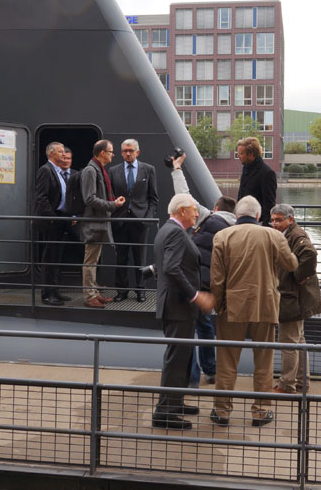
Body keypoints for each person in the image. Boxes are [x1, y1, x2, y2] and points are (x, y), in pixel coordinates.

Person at [208, 196, 297, 427]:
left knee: (227, 361)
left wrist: (219, 305)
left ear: (236, 215)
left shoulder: (222, 236)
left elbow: (216, 279)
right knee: (264, 362)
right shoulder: (273, 235)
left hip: (232, 307)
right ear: (258, 216)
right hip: (264, 305)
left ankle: (222, 411)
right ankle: (260, 412)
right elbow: (291, 264)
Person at [152, 193, 215, 430]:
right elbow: (171, 268)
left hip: (176, 306)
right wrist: (196, 296)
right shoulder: (176, 233)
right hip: (178, 307)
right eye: (193, 209)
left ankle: (175, 402)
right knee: (176, 358)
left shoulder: (169, 230)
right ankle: (164, 413)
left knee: (183, 356)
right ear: (182, 211)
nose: (197, 213)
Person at [170, 153, 234, 386]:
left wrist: (177, 169)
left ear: (216, 208)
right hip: (214, 284)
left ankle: (192, 378)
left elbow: (184, 195)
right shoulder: (236, 229)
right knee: (206, 326)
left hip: (195, 280)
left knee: (189, 327)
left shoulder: (208, 218)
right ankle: (212, 370)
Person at [269, 204, 321, 393]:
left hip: (293, 297)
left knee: (288, 341)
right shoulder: (291, 234)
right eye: (272, 220)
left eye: (279, 220)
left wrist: (297, 276)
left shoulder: (297, 236)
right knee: (298, 340)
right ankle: (302, 381)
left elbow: (310, 254)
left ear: (290, 219)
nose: (275, 224)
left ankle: (287, 384)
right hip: (296, 296)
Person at [108, 139, 158, 303]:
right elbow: (110, 196)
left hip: (140, 221)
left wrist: (147, 218)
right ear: (121, 153)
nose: (128, 153)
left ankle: (140, 290)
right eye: (125, 151)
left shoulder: (148, 170)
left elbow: (153, 198)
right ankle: (121, 291)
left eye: (130, 150)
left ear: (138, 152)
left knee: (140, 258)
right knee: (121, 258)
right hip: (120, 220)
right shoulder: (113, 171)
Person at [80, 139, 125, 308]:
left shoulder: (97, 169)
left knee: (93, 260)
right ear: (102, 153)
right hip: (94, 223)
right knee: (90, 261)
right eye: (111, 152)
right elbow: (89, 198)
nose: (113, 155)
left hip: (98, 223)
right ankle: (89, 296)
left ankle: (94, 292)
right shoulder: (91, 170)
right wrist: (113, 205)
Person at [33, 142, 72, 305]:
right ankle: (47, 294)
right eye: (60, 151)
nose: (64, 154)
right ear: (51, 154)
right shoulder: (45, 170)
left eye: (64, 151)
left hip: (60, 219)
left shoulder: (57, 171)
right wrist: (51, 217)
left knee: (56, 257)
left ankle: (55, 290)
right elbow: (41, 197)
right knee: (49, 258)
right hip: (52, 221)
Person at [236, 136, 277, 227]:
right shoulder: (246, 168)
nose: (238, 156)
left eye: (241, 153)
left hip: (258, 224)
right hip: (242, 222)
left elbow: (269, 204)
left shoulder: (267, 173)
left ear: (251, 155)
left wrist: (265, 228)